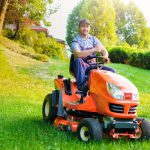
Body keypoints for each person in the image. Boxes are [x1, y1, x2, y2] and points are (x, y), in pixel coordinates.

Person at [71, 18, 115, 91]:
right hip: (82, 67)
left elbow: (104, 50)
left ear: (89, 28)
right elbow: (78, 54)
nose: (85, 28)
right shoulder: (76, 40)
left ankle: (108, 92)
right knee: (78, 60)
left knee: (112, 72)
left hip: (93, 65)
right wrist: (93, 49)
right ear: (79, 27)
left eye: (87, 26)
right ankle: (82, 87)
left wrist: (105, 56)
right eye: (83, 26)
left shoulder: (93, 39)